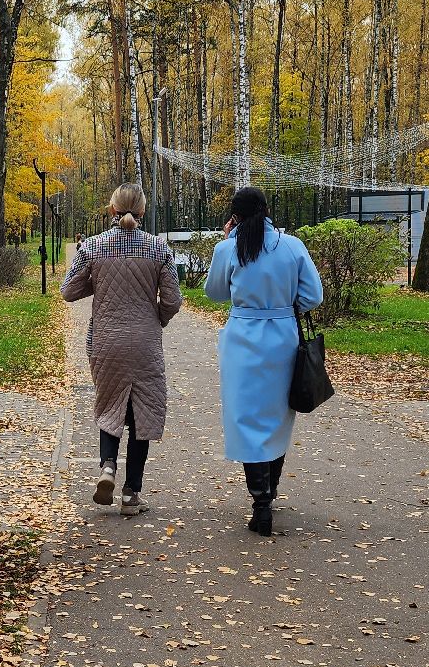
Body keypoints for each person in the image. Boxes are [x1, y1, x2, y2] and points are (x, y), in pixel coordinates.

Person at [204, 187, 324, 537]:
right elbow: (313, 295)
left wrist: (227, 242)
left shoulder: (229, 248)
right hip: (283, 338)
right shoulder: (292, 245)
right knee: (277, 416)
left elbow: (215, 293)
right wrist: (285, 306)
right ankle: (269, 492)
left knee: (246, 418)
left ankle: (260, 502)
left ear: (235, 216)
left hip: (242, 338)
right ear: (267, 210)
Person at [60, 183, 182, 515]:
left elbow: (68, 291)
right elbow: (173, 300)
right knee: (143, 412)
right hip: (145, 344)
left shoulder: (92, 247)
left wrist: (97, 282)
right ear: (142, 211)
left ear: (112, 210)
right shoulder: (159, 249)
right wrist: (157, 318)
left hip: (105, 342)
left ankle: (108, 466)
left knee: (110, 405)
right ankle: (131, 494)